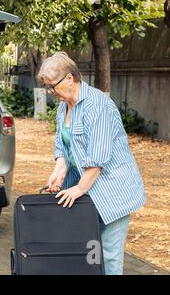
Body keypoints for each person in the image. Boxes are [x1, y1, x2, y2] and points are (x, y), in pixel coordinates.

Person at [37, 51, 146, 275]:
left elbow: (97, 159)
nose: (50, 92)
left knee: (108, 255)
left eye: (52, 86)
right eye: (47, 87)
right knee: (86, 252)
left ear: (69, 78)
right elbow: (63, 145)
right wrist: (59, 171)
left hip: (112, 192)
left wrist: (78, 189)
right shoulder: (63, 105)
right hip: (85, 190)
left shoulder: (97, 105)